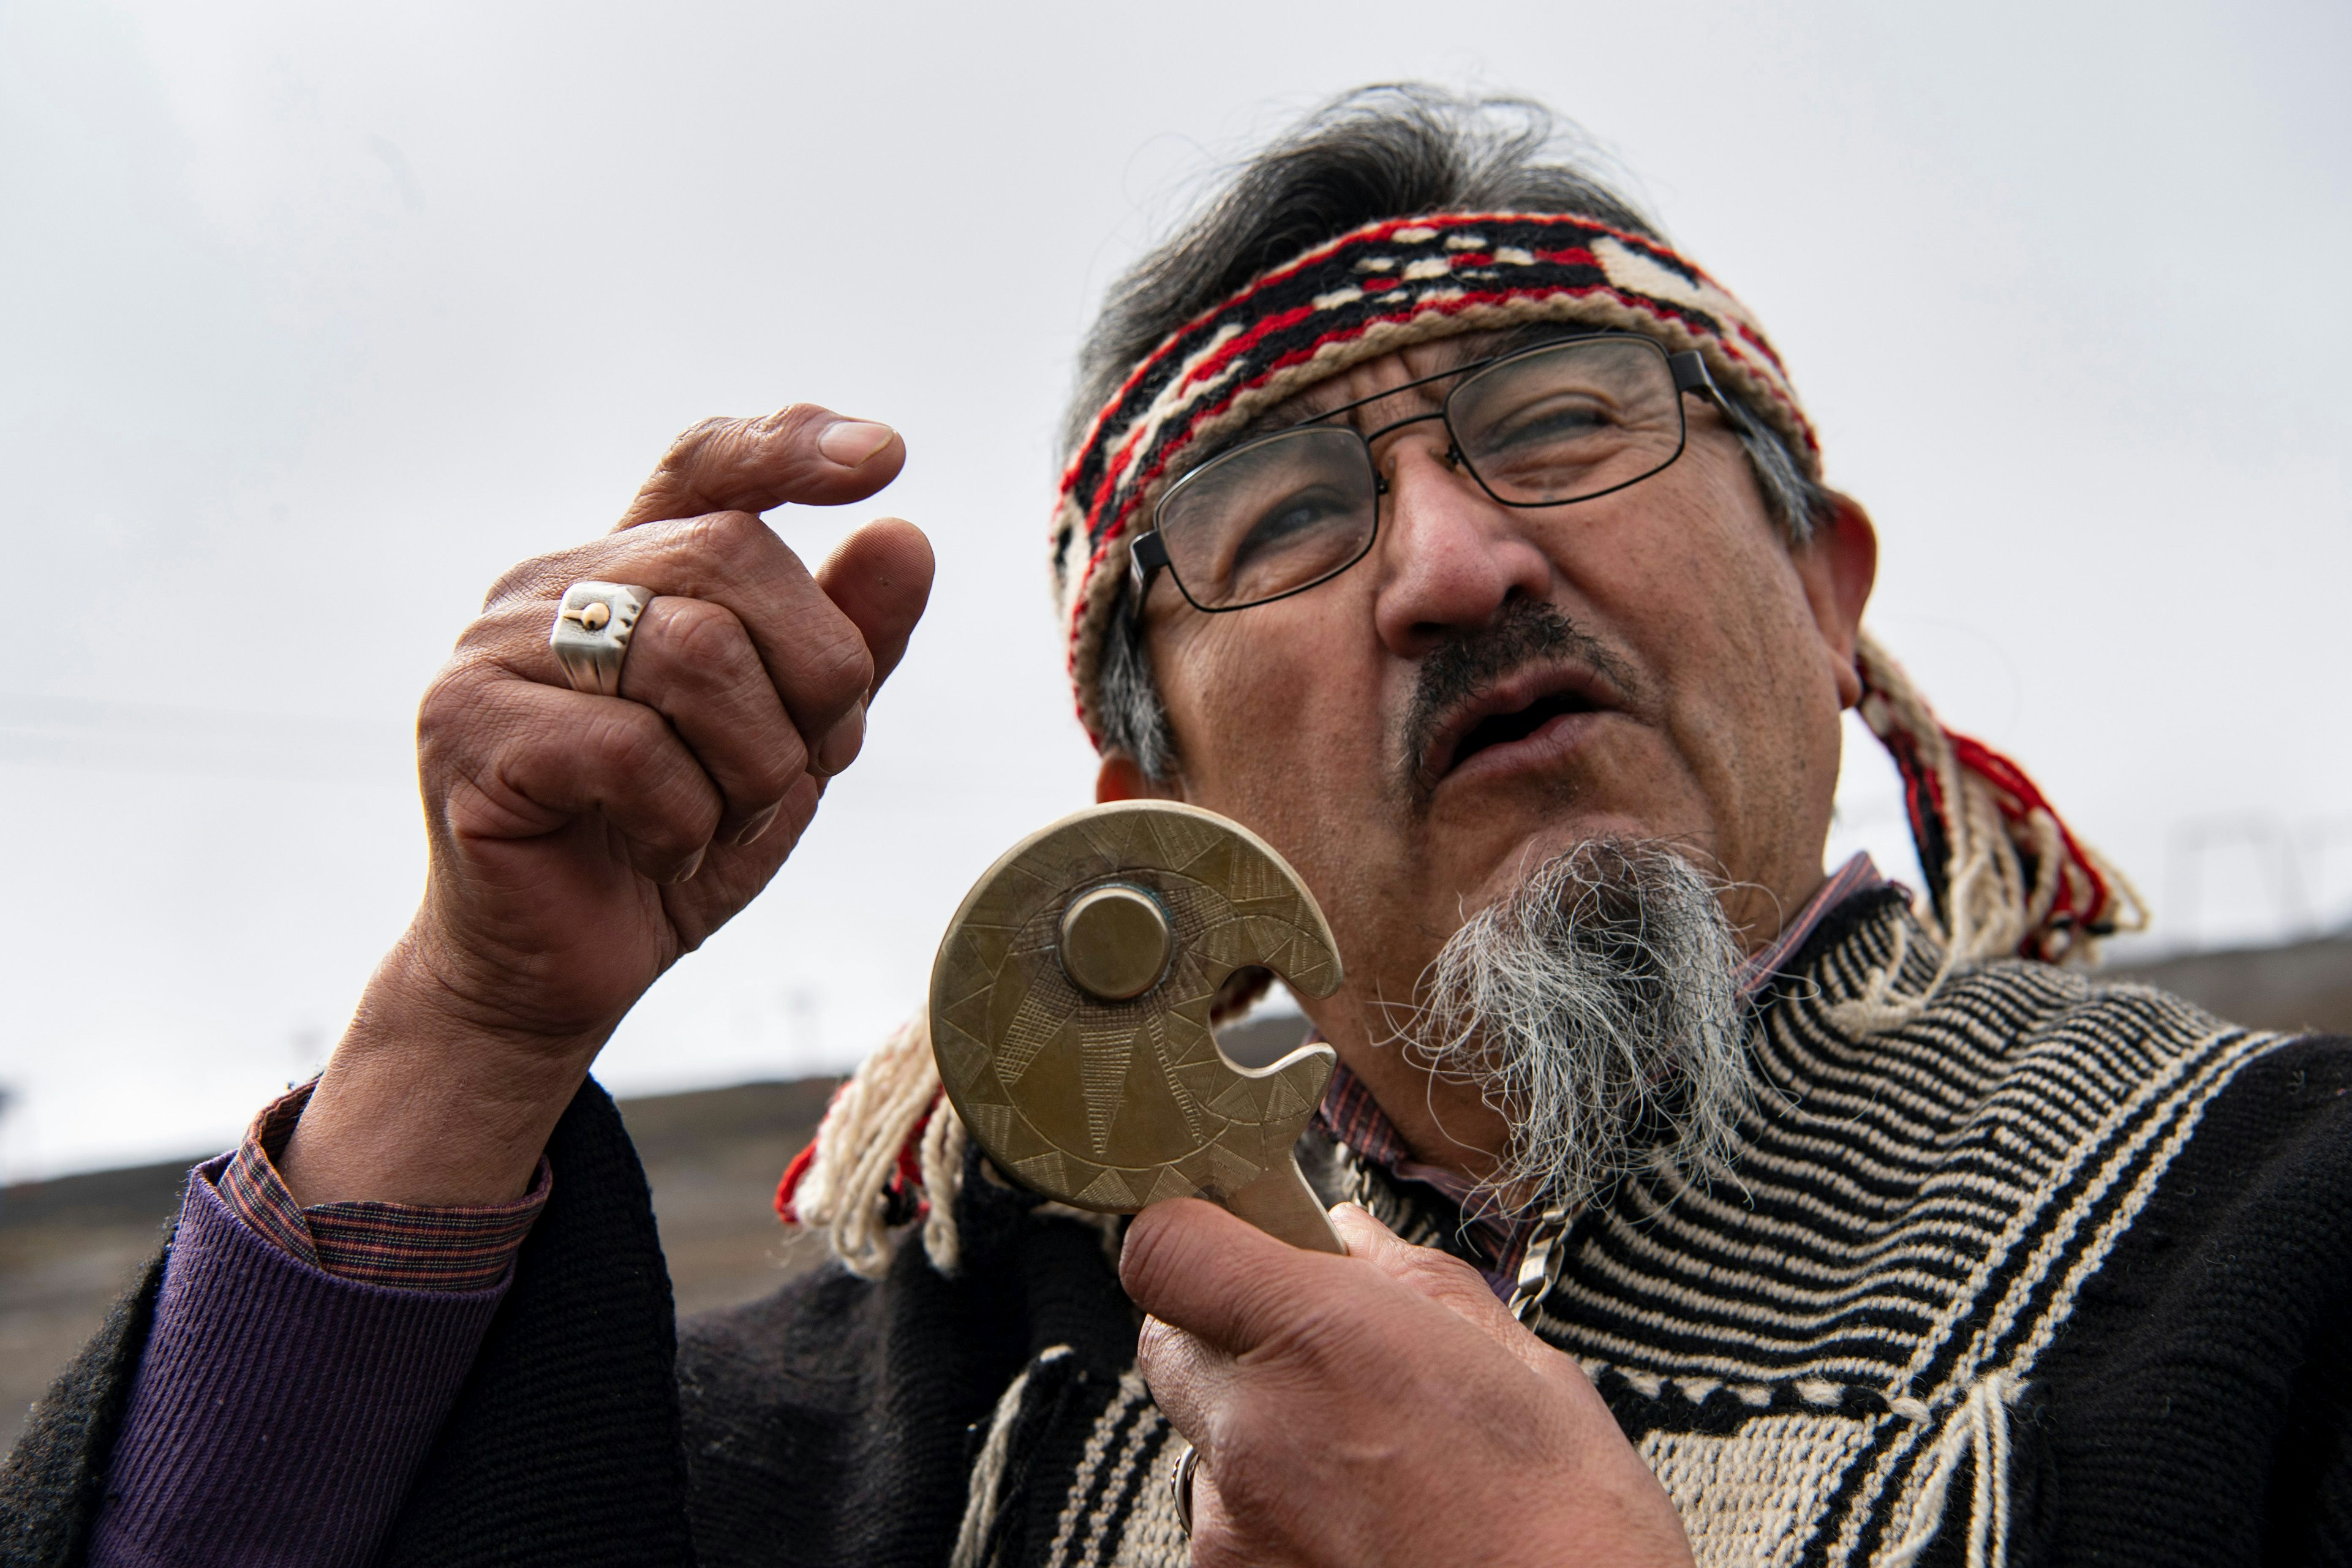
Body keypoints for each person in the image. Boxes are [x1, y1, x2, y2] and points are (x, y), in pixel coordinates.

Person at [4, 86, 2347, 1568]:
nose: (1455, 563)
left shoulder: (2288, 1223)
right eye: (1290, 518)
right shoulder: (901, 1415)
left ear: (1831, 598)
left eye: (1557, 421)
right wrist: (469, 1023)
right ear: (1155, 802)